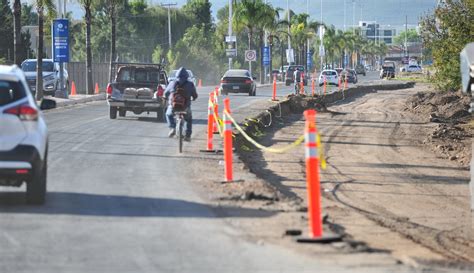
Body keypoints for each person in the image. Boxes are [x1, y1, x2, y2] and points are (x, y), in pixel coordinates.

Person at [164, 67, 198, 141]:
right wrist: (194, 98)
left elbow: (166, 93)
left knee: (168, 114)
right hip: (185, 107)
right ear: (186, 76)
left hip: (173, 106)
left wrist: (165, 97)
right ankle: (188, 136)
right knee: (189, 119)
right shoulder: (190, 84)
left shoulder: (172, 83)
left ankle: (172, 128)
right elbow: (195, 95)